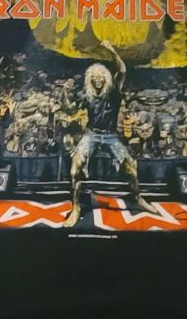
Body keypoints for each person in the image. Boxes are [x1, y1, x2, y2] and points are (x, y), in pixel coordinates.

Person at [63, 40, 158, 227]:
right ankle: (76, 207)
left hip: (111, 136)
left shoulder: (113, 91)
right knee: (75, 170)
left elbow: (122, 70)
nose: (98, 79)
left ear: (106, 78)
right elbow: (69, 110)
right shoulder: (86, 95)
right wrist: (65, 93)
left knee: (131, 170)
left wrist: (111, 50)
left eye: (101, 76)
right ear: (90, 79)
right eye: (94, 77)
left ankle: (138, 198)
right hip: (91, 135)